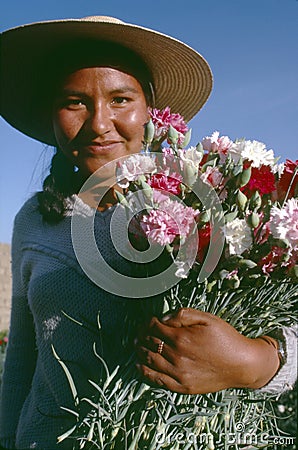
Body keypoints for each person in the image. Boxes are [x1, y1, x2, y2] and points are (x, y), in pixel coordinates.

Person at [0, 15, 296, 450]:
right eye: (75, 102)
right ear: (52, 112)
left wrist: (256, 361)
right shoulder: (34, 220)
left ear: (152, 113)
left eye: (120, 99)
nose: (99, 123)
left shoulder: (213, 202)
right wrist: (7, 436)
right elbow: (24, 353)